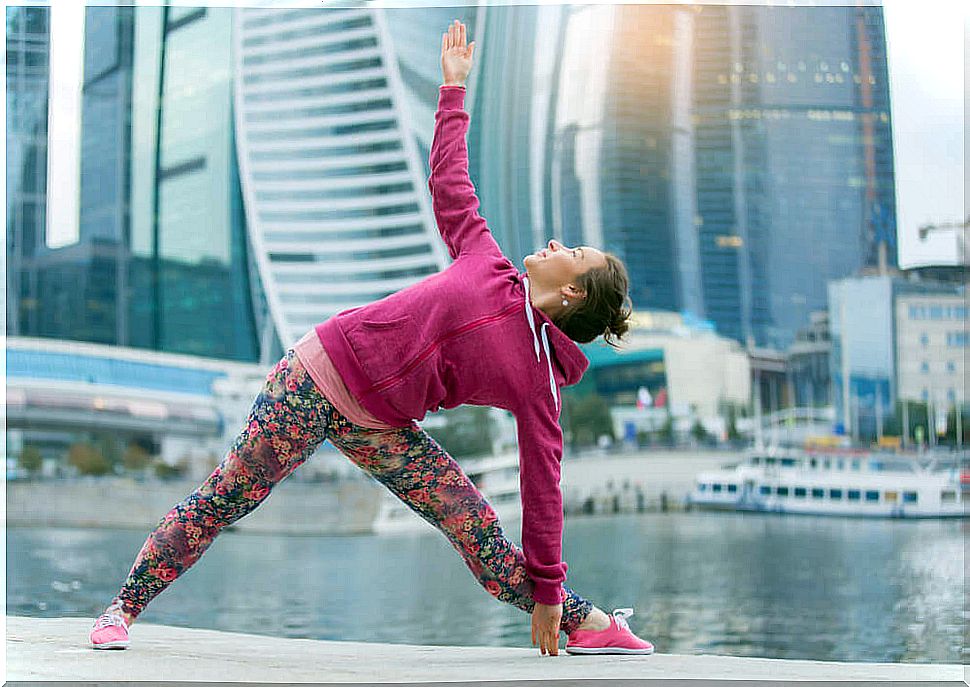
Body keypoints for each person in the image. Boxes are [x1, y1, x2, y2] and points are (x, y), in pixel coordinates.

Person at [90, 20, 653, 658]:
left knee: (477, 530)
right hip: (316, 375)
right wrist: (452, 92)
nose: (555, 244)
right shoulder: (488, 262)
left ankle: (590, 622)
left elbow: (541, 486)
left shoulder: (539, 382)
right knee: (228, 495)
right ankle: (121, 610)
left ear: (574, 292)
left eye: (571, 251)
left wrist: (549, 588)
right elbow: (451, 186)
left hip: (380, 425)